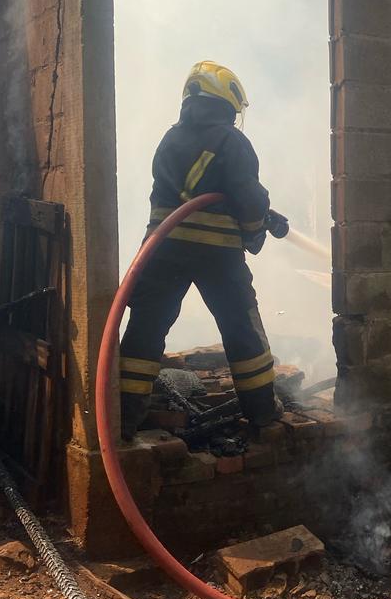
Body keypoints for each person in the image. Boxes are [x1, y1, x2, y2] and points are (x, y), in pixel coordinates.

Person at [118, 61, 288, 440]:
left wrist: (264, 217)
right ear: (227, 102)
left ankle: (124, 417)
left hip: (161, 250)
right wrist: (254, 230)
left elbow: (197, 192)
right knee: (241, 328)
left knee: (145, 331)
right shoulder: (232, 141)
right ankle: (261, 411)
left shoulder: (169, 140)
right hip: (218, 255)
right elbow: (247, 197)